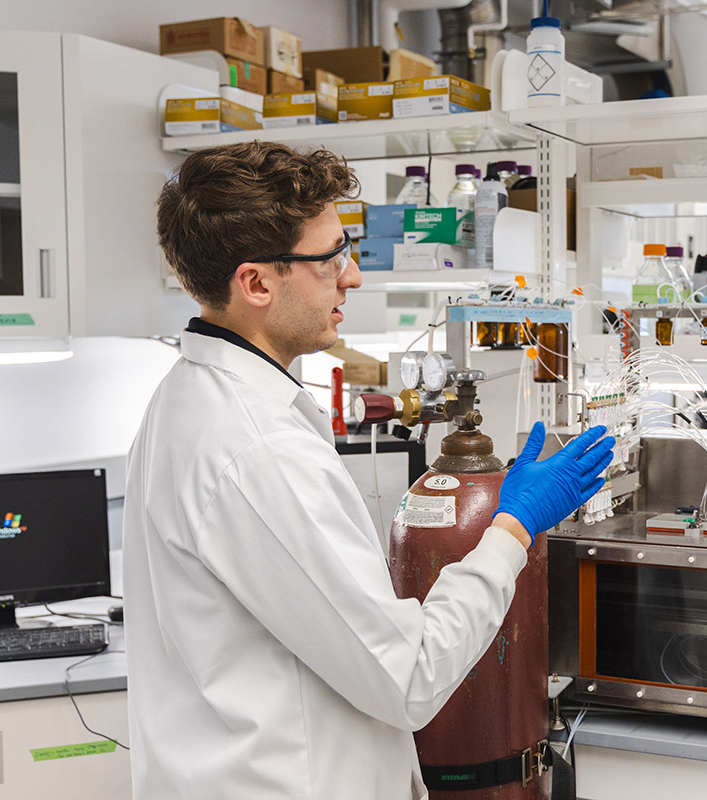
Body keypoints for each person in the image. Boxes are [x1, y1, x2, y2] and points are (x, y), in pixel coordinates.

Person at [123, 141, 613, 800]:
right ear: (257, 283)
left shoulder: (183, 398)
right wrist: (512, 530)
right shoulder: (258, 448)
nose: (350, 277)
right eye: (328, 260)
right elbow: (408, 678)